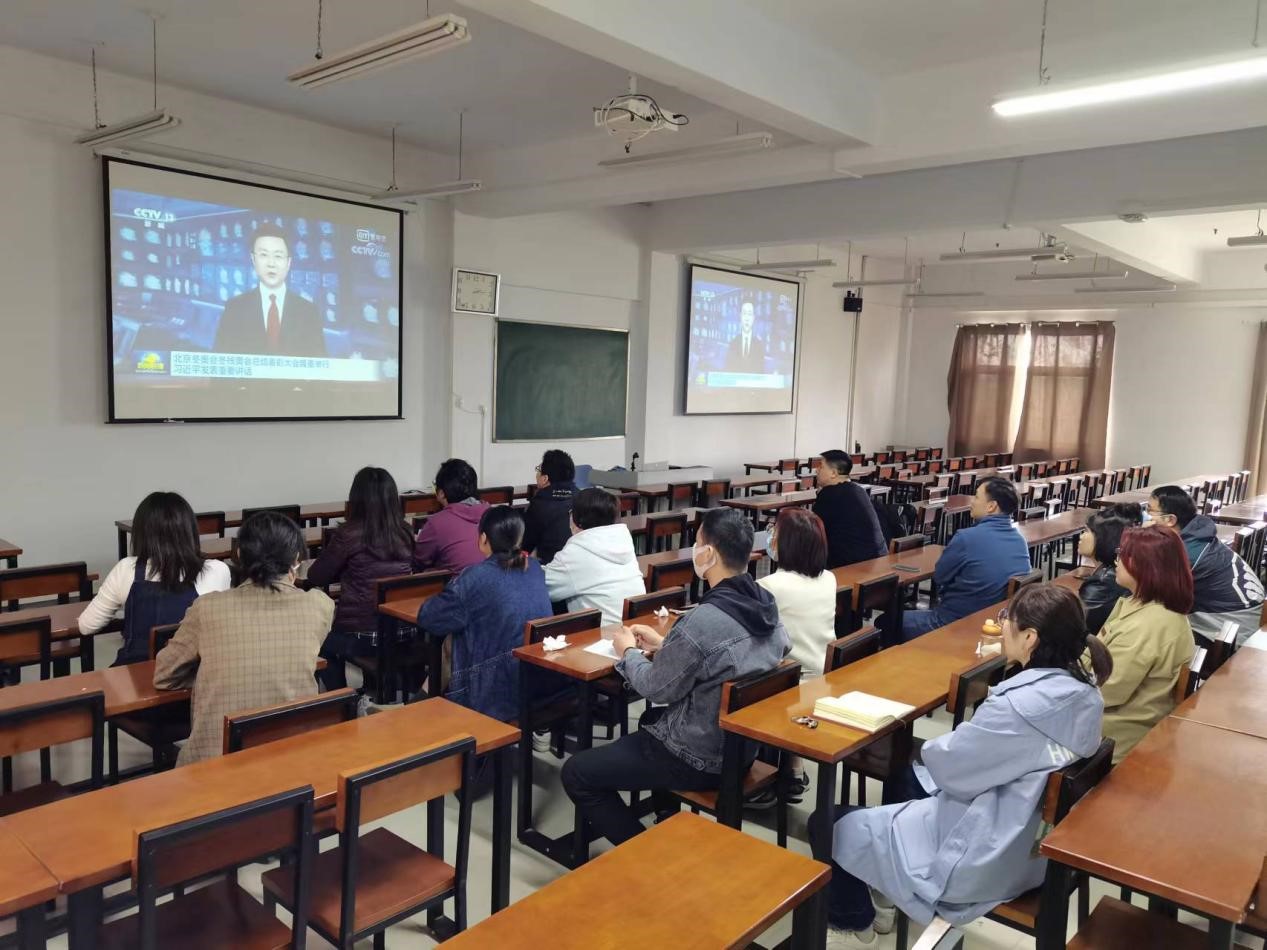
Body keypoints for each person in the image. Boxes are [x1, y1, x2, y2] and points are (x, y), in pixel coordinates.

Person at [811, 583, 1111, 948]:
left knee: (828, 823)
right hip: (1035, 849)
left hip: (986, 856)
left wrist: (934, 746)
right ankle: (885, 889)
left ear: (1030, 637)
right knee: (905, 778)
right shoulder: (1087, 694)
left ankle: (855, 920)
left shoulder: (1016, 709)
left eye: (1007, 620)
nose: (1002, 626)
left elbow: (952, 765)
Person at [561, 507, 790, 847]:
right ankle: (667, 814)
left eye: (697, 543)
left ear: (709, 553)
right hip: (739, 750)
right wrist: (669, 644)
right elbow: (750, 651)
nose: (695, 549)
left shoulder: (705, 619)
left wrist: (627, 651)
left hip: (697, 756)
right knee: (652, 720)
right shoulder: (763, 604)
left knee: (577, 773)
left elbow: (656, 687)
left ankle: (647, 854)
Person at [154, 512, 333, 766]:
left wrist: (213, 672)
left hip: (215, 767)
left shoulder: (207, 608)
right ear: (296, 560)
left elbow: (163, 675)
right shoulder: (319, 606)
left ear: (237, 556)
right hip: (291, 762)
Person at [415, 506, 553, 722]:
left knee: (453, 637)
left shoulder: (475, 577)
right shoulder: (534, 568)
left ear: (483, 539)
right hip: (537, 678)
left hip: (490, 688)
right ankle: (418, 706)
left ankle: (417, 711)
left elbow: (428, 617)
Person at [78, 492, 232, 666]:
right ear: (190, 529)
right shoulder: (217, 570)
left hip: (134, 679)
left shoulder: (126, 569)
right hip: (190, 676)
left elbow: (86, 626)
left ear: (140, 533)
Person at [306, 467, 413, 690]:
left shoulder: (349, 534)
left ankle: (343, 701)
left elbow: (316, 575)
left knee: (321, 641)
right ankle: (373, 690)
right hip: (404, 632)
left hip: (364, 636)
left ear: (356, 499)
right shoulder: (405, 531)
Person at [1097, 525, 1195, 764]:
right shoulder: (1139, 603)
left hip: (1114, 737)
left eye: (1124, 554)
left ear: (1146, 566)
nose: (1116, 559)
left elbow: (1107, 690)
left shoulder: (1151, 625)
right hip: (1113, 720)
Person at [896, 476, 1032, 642]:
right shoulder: (1020, 541)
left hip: (955, 624)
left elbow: (940, 577)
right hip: (994, 625)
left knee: (888, 621)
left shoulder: (966, 538)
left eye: (976, 497)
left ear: (991, 506)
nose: (972, 502)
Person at [1149, 485, 1265, 645]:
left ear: (1170, 520)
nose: (1146, 517)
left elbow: (1155, 595)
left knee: (1154, 630)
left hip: (1235, 630)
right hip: (1248, 618)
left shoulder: (1186, 554)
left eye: (1150, 511)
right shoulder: (1198, 536)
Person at [213, 223, 328, 357]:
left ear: (288, 263)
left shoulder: (309, 312)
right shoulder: (234, 308)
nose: (271, 263)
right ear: (253, 260)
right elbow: (220, 366)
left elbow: (320, 368)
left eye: (278, 256)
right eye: (264, 255)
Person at [544, 487, 645, 625]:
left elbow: (544, 588)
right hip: (637, 630)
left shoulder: (576, 552)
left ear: (577, 520)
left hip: (602, 639)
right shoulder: (622, 540)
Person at [758, 508, 836, 675]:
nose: (771, 535)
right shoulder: (829, 578)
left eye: (775, 530)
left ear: (787, 542)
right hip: (826, 671)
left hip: (792, 681)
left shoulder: (768, 586)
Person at [812, 450, 887, 569]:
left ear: (833, 473)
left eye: (821, 466)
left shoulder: (830, 494)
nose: (816, 470)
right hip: (878, 560)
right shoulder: (858, 490)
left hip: (854, 566)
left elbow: (814, 533)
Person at [413, 458, 489, 574]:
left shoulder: (437, 523)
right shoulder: (493, 514)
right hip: (494, 587)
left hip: (456, 589)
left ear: (441, 493)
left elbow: (418, 562)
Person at [1076, 511, 1132, 635]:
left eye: (1086, 531)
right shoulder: (1110, 570)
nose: (1081, 536)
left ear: (1102, 538)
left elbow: (1078, 625)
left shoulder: (1103, 583)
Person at [522, 449, 577, 564]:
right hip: (582, 563)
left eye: (539, 470)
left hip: (551, 567)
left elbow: (526, 545)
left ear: (545, 479)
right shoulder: (581, 497)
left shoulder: (540, 504)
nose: (537, 474)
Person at [723, 299, 768, 374]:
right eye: (744, 314)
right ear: (740, 316)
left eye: (750, 314)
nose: (747, 318)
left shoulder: (759, 345)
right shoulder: (733, 343)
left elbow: (761, 371)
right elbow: (728, 369)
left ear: (753, 318)